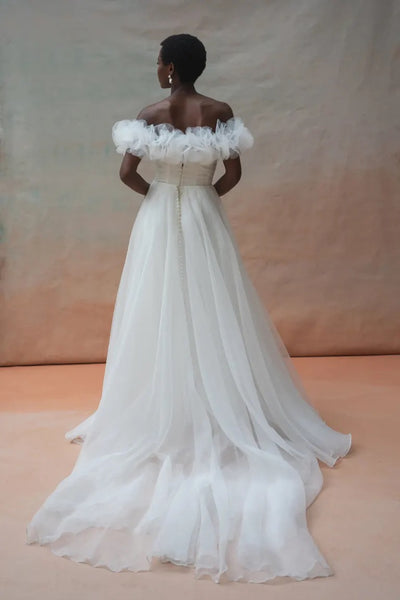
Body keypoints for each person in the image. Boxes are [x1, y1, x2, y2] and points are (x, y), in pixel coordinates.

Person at [26, 34, 352, 584]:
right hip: (205, 216)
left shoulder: (150, 114)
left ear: (170, 66)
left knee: (156, 305)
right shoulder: (219, 111)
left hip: (157, 220)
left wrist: (162, 196)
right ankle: (218, 394)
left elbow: (128, 174)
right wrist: (198, 197)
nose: (156, 67)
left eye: (159, 60)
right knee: (214, 303)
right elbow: (235, 176)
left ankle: (162, 399)